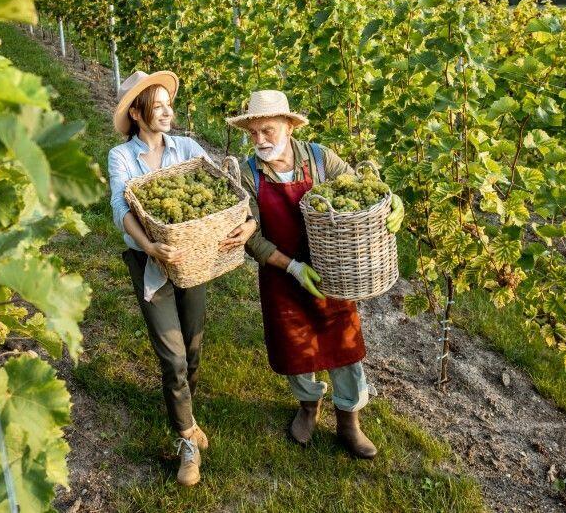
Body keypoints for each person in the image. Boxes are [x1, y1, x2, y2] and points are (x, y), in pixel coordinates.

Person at [226, 90, 404, 459]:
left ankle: (349, 419)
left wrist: (390, 200)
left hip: (332, 271)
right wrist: (292, 267)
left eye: (268, 131)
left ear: (289, 127)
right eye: (253, 133)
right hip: (282, 272)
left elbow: (359, 190)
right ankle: (308, 406)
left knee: (344, 345)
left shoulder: (321, 159)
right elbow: (252, 237)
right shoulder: (248, 175)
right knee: (293, 345)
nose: (260, 140)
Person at [107, 70, 258, 486]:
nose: (167, 112)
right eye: (157, 107)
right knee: (172, 355)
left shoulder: (188, 148)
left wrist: (247, 221)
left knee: (192, 347)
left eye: (168, 105)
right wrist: (152, 246)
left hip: (193, 260)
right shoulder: (121, 157)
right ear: (137, 114)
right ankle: (186, 439)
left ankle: (183, 411)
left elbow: (226, 189)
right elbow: (122, 209)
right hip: (153, 264)